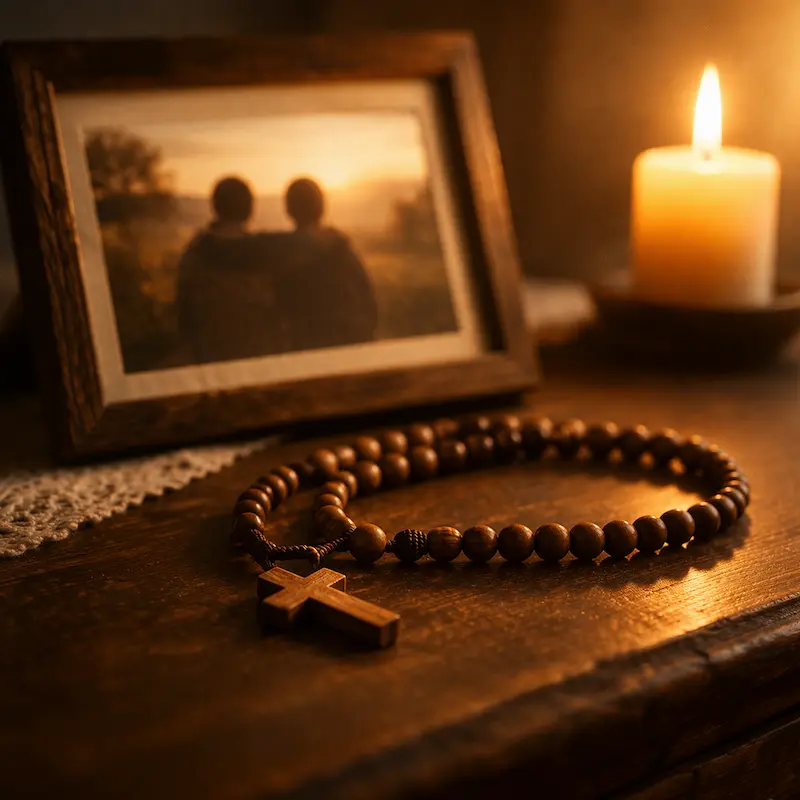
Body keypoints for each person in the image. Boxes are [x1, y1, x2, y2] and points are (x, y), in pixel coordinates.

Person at [176, 176, 289, 364]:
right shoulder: (265, 254)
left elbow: (184, 317)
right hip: (259, 358)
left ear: (215, 207)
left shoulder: (195, 254)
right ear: (250, 209)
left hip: (209, 357)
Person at [271, 177, 379, 351]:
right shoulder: (342, 249)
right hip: (349, 345)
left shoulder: (284, 257)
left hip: (304, 349)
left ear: (288, 210)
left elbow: (277, 314)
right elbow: (368, 302)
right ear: (322, 207)